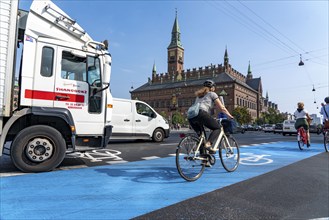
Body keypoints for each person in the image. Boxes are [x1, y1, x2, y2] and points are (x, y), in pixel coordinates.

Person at [188, 80, 234, 154]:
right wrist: (230, 116)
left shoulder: (199, 96)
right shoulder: (212, 94)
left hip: (191, 117)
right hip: (201, 114)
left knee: (202, 138)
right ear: (212, 88)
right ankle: (209, 144)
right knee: (217, 128)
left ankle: (204, 159)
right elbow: (222, 108)